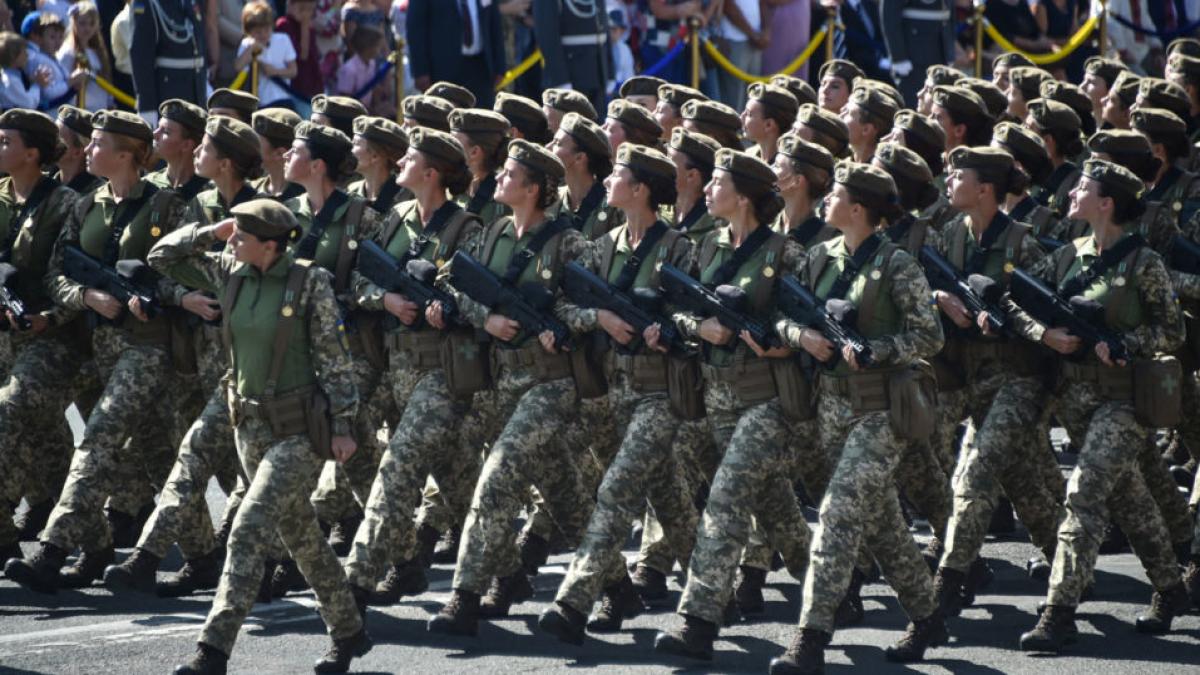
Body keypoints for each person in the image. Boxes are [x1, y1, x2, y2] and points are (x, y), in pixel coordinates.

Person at [150, 198, 372, 674]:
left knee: (248, 529)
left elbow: (334, 357)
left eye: (241, 237)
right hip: (248, 427)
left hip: (298, 431)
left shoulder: (308, 282)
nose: (232, 241)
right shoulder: (231, 270)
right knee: (302, 537)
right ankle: (349, 631)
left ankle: (212, 651)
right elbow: (161, 258)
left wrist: (344, 425)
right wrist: (213, 231)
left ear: (270, 246)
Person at [770, 162, 946, 674]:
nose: (826, 200)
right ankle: (928, 614)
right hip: (831, 407)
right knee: (883, 525)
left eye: (837, 194)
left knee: (839, 513)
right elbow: (783, 316)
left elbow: (929, 337)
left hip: (882, 409)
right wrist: (802, 337)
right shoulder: (819, 257)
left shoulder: (897, 265)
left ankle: (810, 637)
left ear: (859, 208)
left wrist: (878, 349)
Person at [3, 111, 188, 593]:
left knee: (98, 440)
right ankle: (201, 551)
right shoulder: (88, 207)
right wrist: (86, 297)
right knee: (155, 455)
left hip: (148, 348)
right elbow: (59, 273)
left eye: (100, 143)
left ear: (127, 154)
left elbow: (183, 273)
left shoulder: (166, 206)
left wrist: (155, 295)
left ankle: (53, 550)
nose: (87, 150)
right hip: (98, 346)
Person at [1015, 159, 1191, 652]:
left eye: (1083, 189)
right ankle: (1172, 588)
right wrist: (1044, 333)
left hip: (1124, 401)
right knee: (1130, 499)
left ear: (1107, 202)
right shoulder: (1067, 256)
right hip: (1074, 399)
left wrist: (1124, 343)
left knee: (1084, 493)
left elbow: (1172, 332)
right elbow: (1019, 302)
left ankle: (1059, 612)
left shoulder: (1143, 263)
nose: (1071, 195)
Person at [425, 139, 593, 638]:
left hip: (551, 382)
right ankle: (617, 583)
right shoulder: (493, 232)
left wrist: (559, 324)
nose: (499, 178)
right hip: (499, 378)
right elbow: (449, 281)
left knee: (496, 480)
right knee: (565, 492)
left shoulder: (568, 244)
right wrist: (487, 318)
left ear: (534, 188)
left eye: (510, 174)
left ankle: (465, 596)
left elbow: (585, 312)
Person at [653, 149, 810, 663]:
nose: (707, 189)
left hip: (766, 400)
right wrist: (701, 327)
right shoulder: (706, 249)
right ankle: (830, 583)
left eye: (717, 182)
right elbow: (674, 310)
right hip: (714, 398)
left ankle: (699, 620)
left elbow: (803, 326)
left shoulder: (785, 254)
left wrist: (783, 341)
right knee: (775, 506)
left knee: (724, 501)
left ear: (742, 196)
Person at [102, 115, 266, 599]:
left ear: (226, 161)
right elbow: (161, 262)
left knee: (250, 472)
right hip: (197, 355)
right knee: (191, 457)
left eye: (207, 148)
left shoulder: (268, 214)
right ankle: (158, 558)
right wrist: (185, 292)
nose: (198, 156)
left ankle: (271, 559)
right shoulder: (200, 205)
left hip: (252, 369)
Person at [540, 142, 698, 644]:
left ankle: (574, 600)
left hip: (660, 395)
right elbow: (563, 307)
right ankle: (712, 588)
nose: (609, 181)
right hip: (610, 392)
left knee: (615, 490)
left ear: (641, 189)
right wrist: (600, 317)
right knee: (669, 497)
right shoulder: (602, 247)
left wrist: (668, 329)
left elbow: (697, 317)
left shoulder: (678, 250)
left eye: (619, 175)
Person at [341, 125, 483, 612]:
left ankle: (357, 580)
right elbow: (359, 276)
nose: (400, 164)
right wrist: (384, 299)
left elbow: (476, 297)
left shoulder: (466, 228)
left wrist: (448, 308)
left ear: (431, 172)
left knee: (398, 468)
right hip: (395, 368)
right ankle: (507, 569)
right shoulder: (395, 218)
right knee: (461, 482)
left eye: (411, 159)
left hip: (442, 375)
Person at [928, 146, 1065, 620]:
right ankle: (1070, 564)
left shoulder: (1024, 244)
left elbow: (1044, 313)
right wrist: (941, 299)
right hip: (969, 376)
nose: (949, 183)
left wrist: (1005, 320)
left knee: (978, 468)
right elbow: (924, 288)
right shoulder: (948, 236)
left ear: (985, 189)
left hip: (1019, 377)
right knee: (1022, 482)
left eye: (958, 176)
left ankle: (949, 580)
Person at [0, 110, 80, 564]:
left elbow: (70, 275)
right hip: (3, 335)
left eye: (6, 141)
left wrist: (49, 316)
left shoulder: (65, 203)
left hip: (49, 337)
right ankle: (86, 525)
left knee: (8, 416)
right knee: (49, 440)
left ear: (32, 153)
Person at [407, 0, 507, 109]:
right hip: (443, 70)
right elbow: (416, 27)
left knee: (483, 120)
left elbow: (495, 22)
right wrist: (420, 71)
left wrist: (500, 66)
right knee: (444, 120)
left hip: (481, 67)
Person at [130, 0, 208, 127]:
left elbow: (200, 46)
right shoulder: (146, 3)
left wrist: (204, 86)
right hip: (168, 94)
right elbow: (141, 60)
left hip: (195, 93)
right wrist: (147, 109)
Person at [880, 0, 955, 107]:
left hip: (940, 49)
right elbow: (890, 14)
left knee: (938, 103)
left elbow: (949, 13)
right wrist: (899, 57)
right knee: (915, 104)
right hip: (913, 54)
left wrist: (949, 49)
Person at [235, 1, 298, 110]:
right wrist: (251, 49)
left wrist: (275, 71)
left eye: (267, 29)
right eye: (258, 32)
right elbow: (238, 67)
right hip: (261, 103)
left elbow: (293, 71)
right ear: (248, 31)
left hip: (284, 100)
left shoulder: (283, 39)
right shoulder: (247, 44)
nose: (263, 34)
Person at [147, 99, 211, 202]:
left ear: (186, 145)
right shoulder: (147, 186)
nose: (155, 134)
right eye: (158, 127)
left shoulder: (210, 193)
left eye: (166, 132)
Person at [347, 116, 411, 216]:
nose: (350, 149)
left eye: (355, 144)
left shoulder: (405, 197)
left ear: (375, 156)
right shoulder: (352, 190)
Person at [57, 2, 113, 112]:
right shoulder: (68, 52)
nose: (87, 28)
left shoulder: (98, 52)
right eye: (82, 23)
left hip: (100, 110)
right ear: (74, 23)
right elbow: (63, 84)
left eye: (92, 24)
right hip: (79, 111)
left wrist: (110, 102)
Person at [251, 107, 305, 201]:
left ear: (280, 154)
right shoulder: (251, 190)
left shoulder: (304, 198)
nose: (250, 147)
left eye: (255, 142)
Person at [741, 82, 799, 163]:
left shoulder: (785, 168)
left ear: (769, 125)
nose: (741, 117)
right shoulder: (748, 156)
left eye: (749, 114)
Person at [336, 28, 390, 115]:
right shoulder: (349, 69)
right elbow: (345, 99)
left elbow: (371, 89)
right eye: (377, 46)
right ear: (368, 47)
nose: (379, 50)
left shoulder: (371, 63)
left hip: (365, 111)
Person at [276, 0, 322, 100]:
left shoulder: (310, 26)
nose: (306, 13)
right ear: (290, 5)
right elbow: (302, 55)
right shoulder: (284, 25)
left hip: (311, 81)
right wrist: (304, 26)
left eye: (310, 10)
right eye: (302, 8)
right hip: (296, 84)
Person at [54, 105, 102, 194]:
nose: (50, 141)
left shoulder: (96, 195)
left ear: (77, 152)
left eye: (57, 139)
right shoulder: (44, 182)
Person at [0, 33, 48, 110]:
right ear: (13, 56)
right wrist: (37, 84)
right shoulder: (10, 80)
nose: (27, 54)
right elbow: (29, 104)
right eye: (24, 51)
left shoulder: (17, 75)